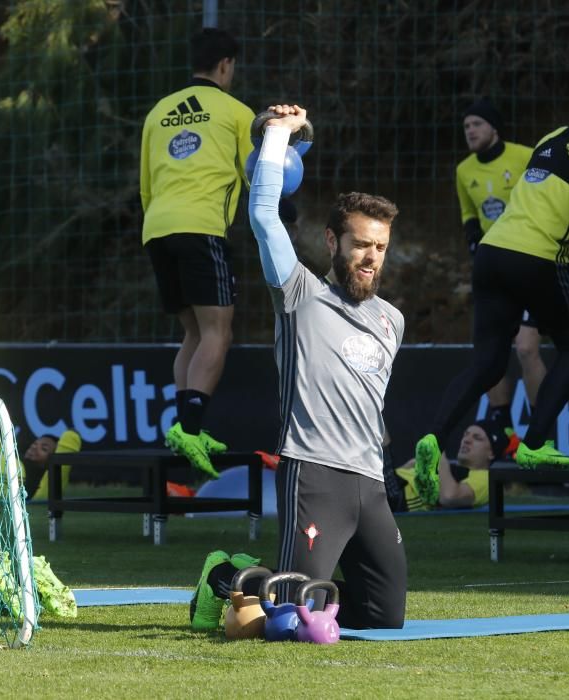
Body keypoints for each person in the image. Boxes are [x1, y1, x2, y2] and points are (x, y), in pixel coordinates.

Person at [190, 105, 406, 631]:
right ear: (334, 242)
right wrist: (277, 134)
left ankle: (270, 581)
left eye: (380, 247)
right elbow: (263, 213)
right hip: (313, 473)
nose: (371, 257)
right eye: (360, 245)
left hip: (369, 483)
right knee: (289, 621)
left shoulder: (392, 320)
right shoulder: (299, 294)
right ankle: (225, 576)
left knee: (386, 616)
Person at [413, 74, 569, 497]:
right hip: (536, 261)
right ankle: (533, 444)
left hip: (492, 254)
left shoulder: (555, 137)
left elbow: (551, 213)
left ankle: (433, 439)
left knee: (488, 364)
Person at [139, 27, 256, 479]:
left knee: (193, 332)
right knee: (218, 333)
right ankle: (189, 428)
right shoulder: (235, 112)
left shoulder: (158, 112)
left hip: (158, 229)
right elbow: (255, 175)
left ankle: (186, 426)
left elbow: (146, 186)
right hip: (201, 227)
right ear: (226, 65)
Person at [456, 99, 545, 429]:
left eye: (477, 124)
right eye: (466, 127)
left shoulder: (525, 156)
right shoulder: (464, 170)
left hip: (529, 262)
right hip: (493, 270)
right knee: (490, 356)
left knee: (525, 348)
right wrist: (473, 240)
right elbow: (468, 213)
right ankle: (501, 430)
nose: (470, 131)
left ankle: (539, 430)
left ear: (494, 127)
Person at [386, 420, 508, 512]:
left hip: (397, 496)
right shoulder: (449, 468)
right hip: (391, 483)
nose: (466, 440)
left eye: (477, 438)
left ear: (491, 453)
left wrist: (438, 451)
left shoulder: (486, 479)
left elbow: (449, 497)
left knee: (376, 425)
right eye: (466, 434)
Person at [21, 430, 82, 500]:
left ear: (52, 459)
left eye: (44, 449)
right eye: (35, 444)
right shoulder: (14, 462)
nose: (34, 447)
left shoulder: (46, 483)